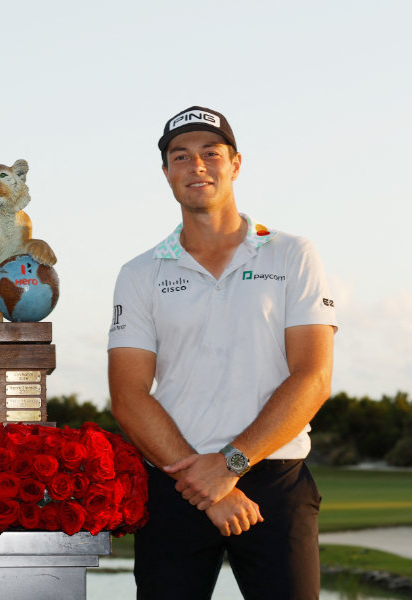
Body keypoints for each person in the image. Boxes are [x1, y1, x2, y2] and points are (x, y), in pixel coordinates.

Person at [108, 106, 337, 599]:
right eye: (181, 156)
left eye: (211, 153)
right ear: (167, 171)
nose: (197, 166)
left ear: (236, 163)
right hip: (176, 484)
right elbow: (128, 396)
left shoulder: (292, 254)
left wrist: (229, 465)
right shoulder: (139, 272)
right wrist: (204, 481)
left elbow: (313, 376)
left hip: (274, 479)